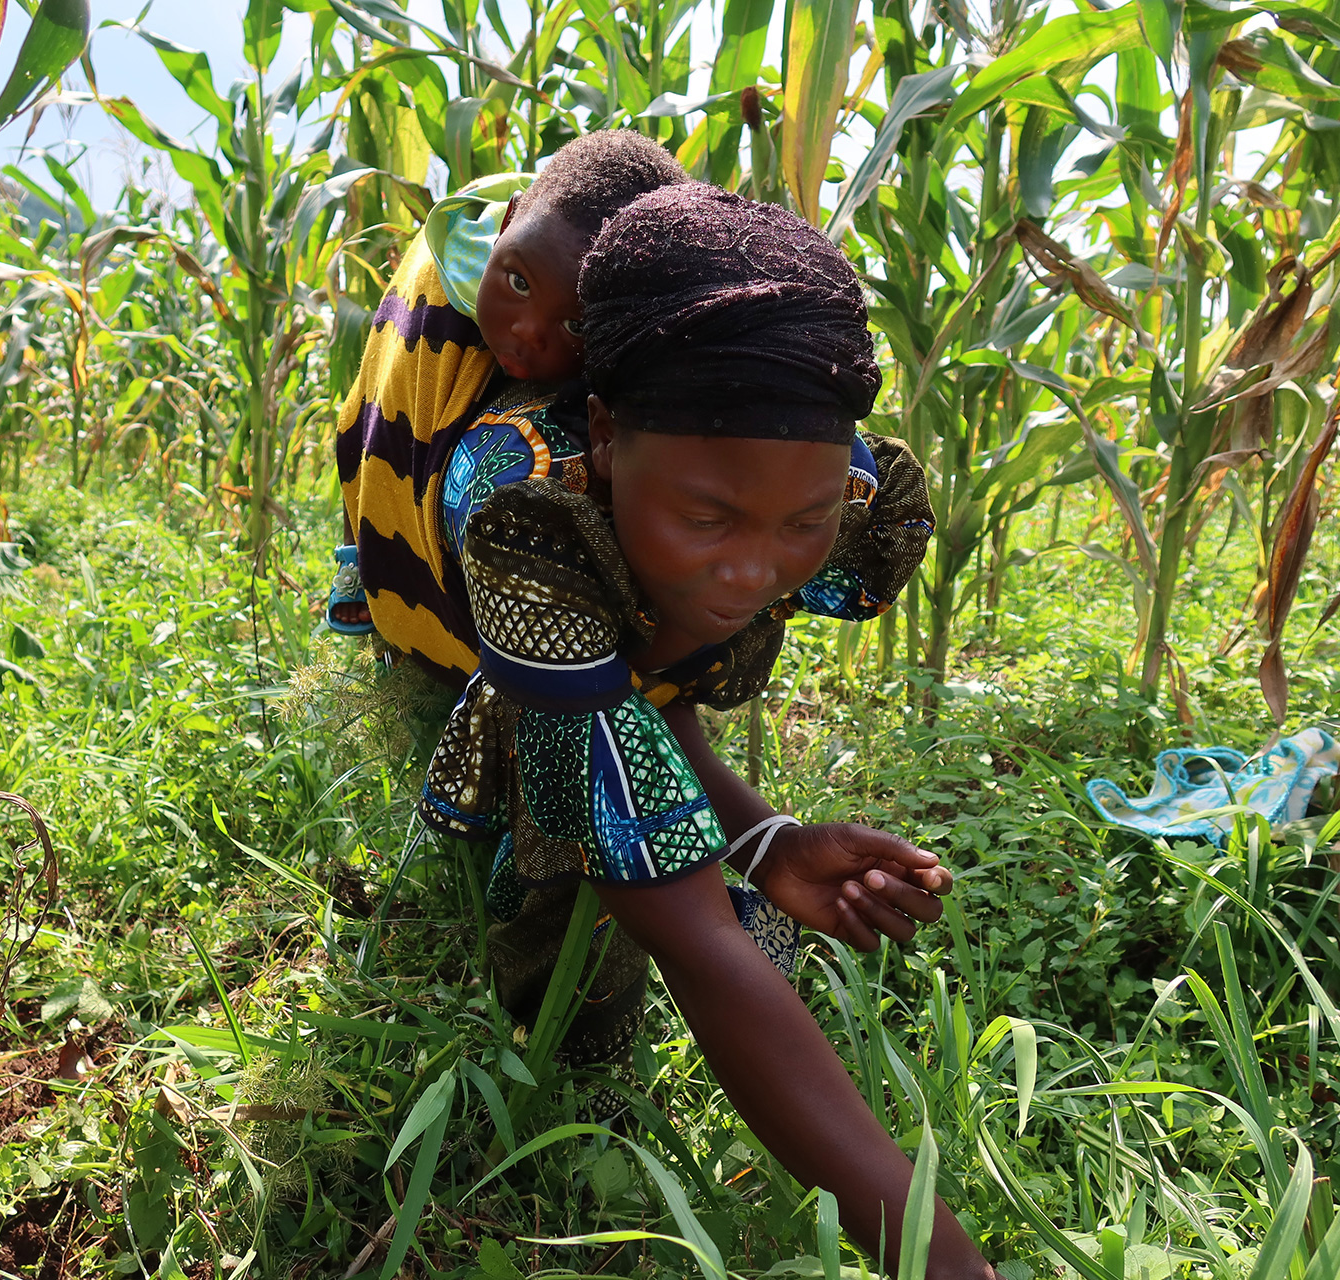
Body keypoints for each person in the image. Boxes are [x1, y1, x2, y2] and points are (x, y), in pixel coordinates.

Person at [415, 182, 995, 1278]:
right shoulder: (521, 507)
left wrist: (765, 837)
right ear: (604, 433)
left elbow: (654, 689)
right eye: (708, 518)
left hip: (601, 617)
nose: (752, 571)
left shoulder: (831, 484)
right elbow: (689, 928)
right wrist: (951, 1266)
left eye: (803, 524)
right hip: (479, 617)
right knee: (541, 895)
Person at [328, 131, 688, 665]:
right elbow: (384, 397)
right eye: (518, 284)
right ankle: (361, 560)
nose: (525, 331)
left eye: (573, 324)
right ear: (508, 220)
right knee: (371, 424)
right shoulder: (457, 268)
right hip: (394, 425)